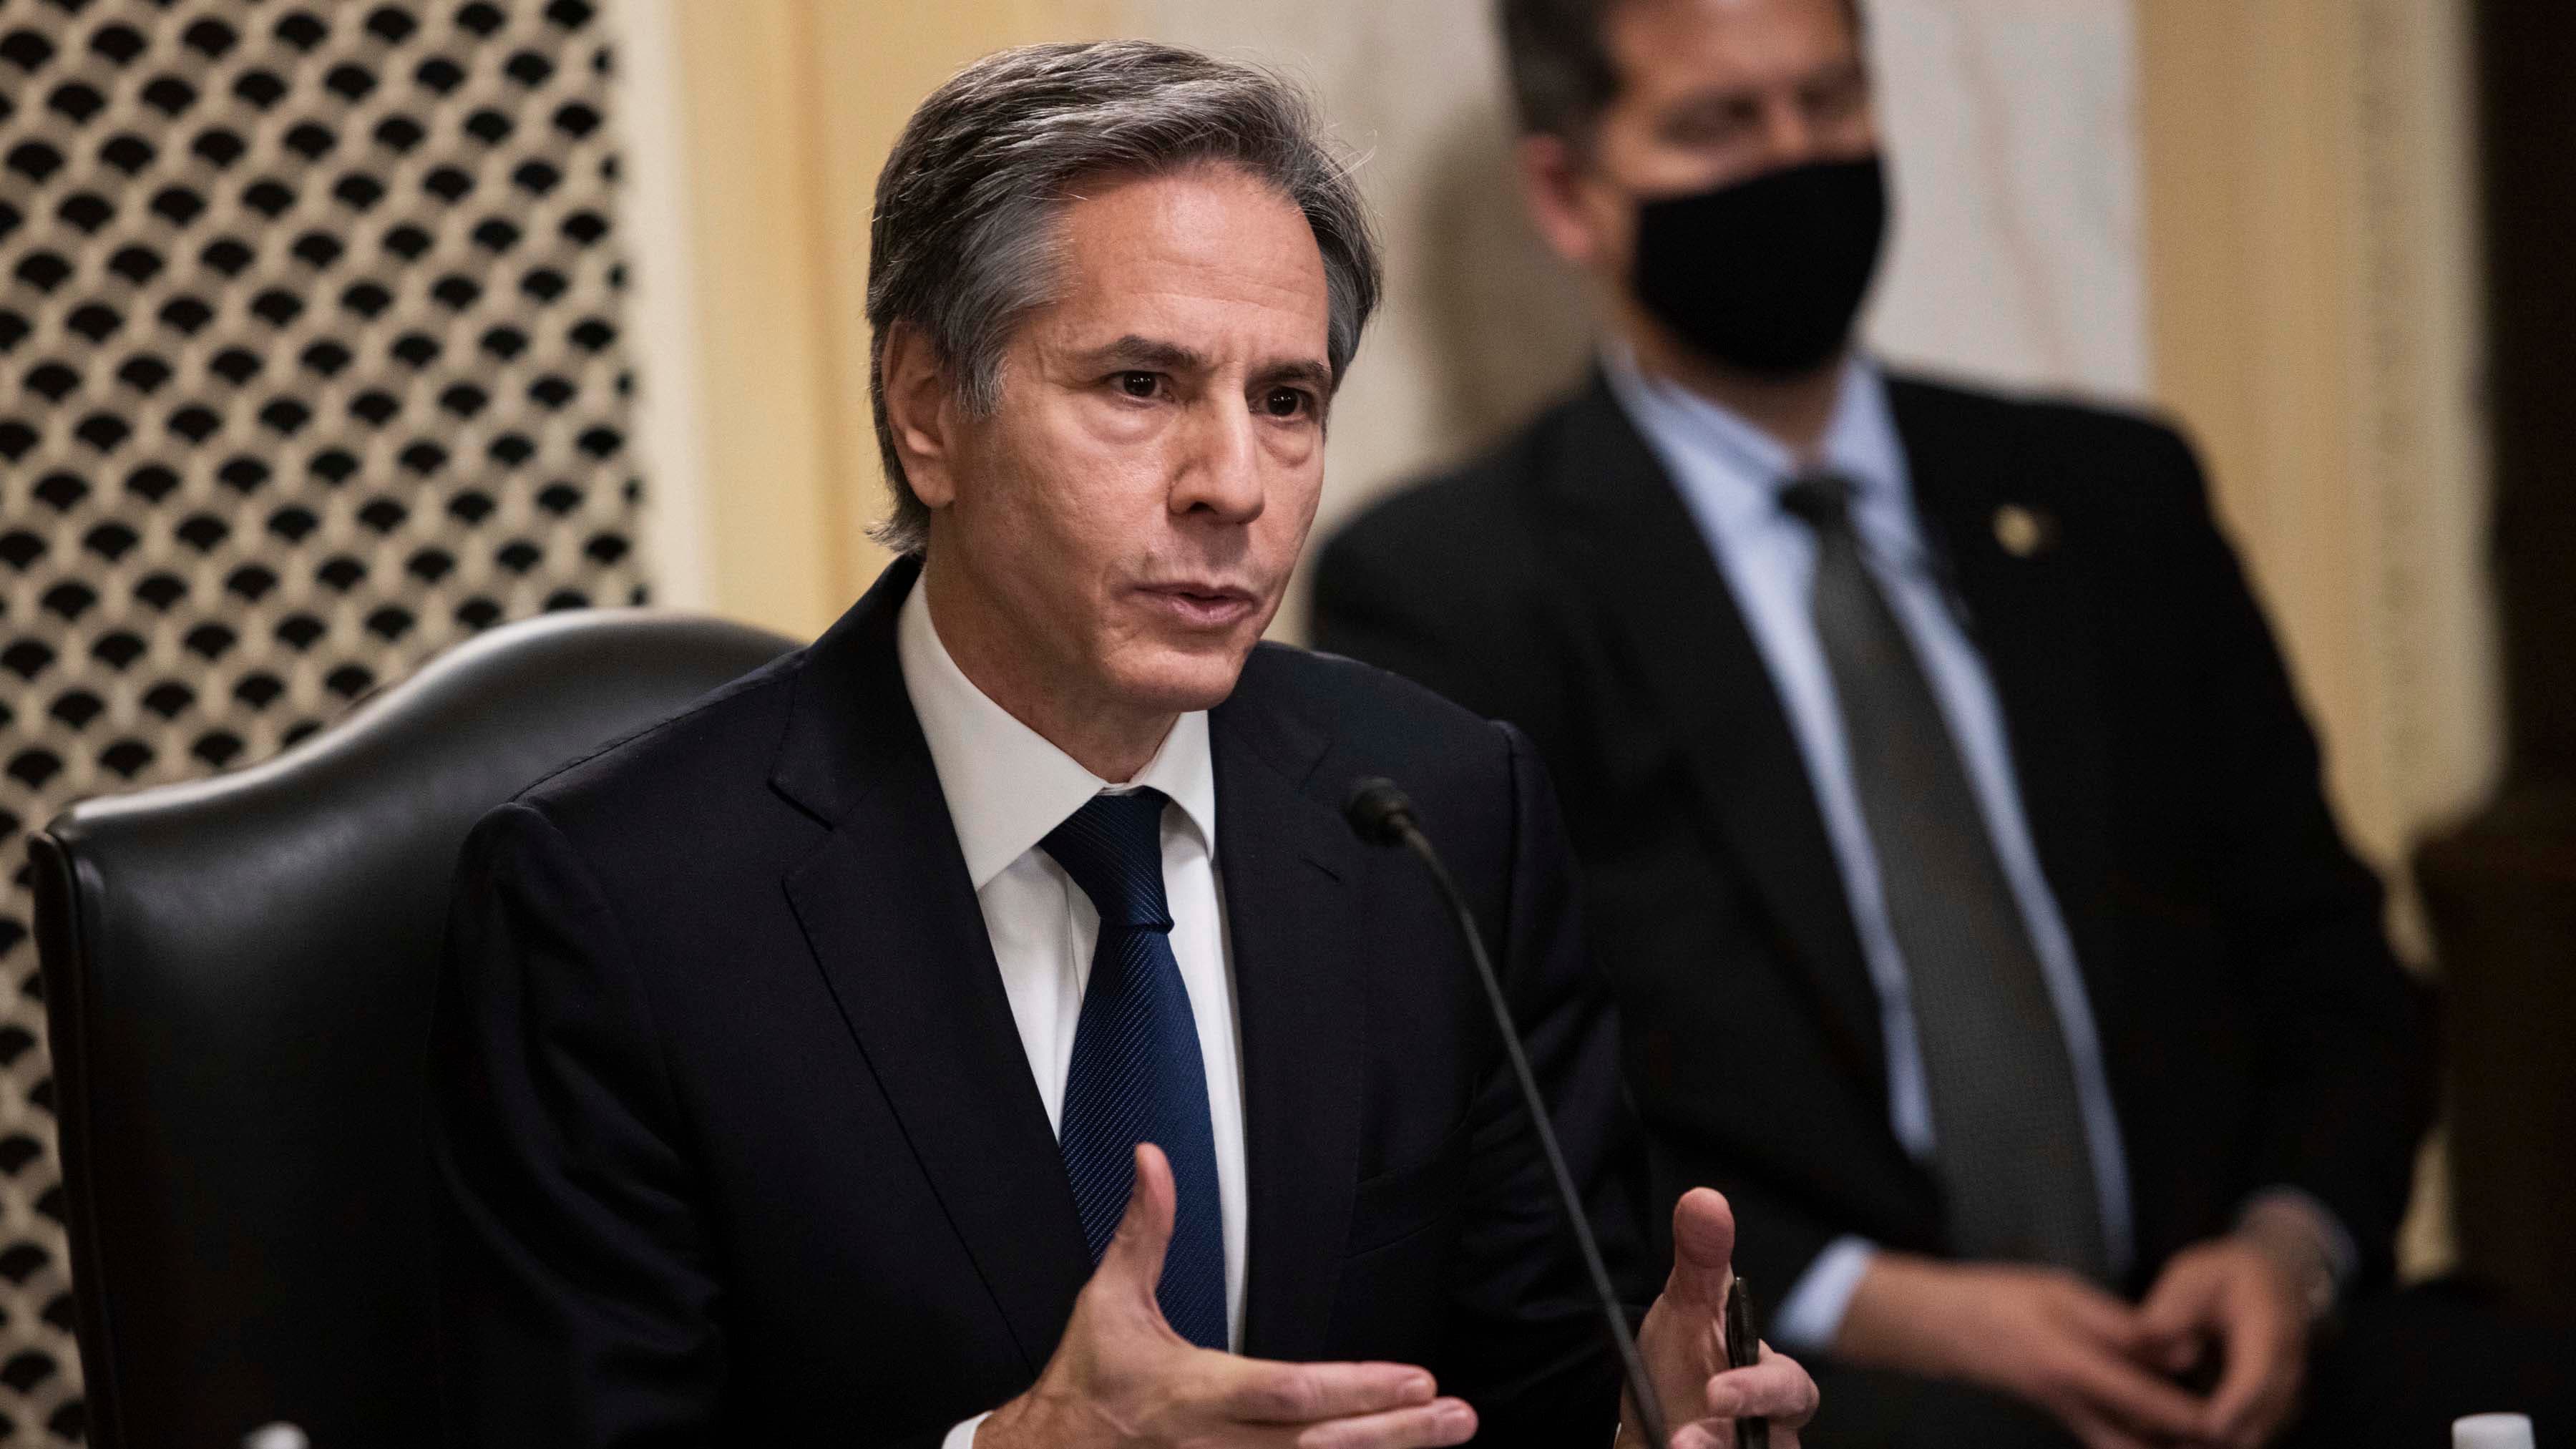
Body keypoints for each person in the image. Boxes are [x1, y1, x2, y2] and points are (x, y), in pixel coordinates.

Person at [429, 39, 1820, 1448]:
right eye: (1141, 385)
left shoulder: (1438, 814)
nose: (1232, 485)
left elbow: (1524, 1385)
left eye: (1287, 401)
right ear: (927, 410)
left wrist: (1636, 1430)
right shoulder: (619, 909)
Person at [1312, 1, 2439, 1446]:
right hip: (1835, 1377)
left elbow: (2332, 959)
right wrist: (1896, 1303)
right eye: (1721, 122)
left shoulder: (2114, 497)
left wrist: (2291, 1246)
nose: (1797, 160)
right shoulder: (1459, 589)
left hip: (2234, 1343)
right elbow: (1511, 1102)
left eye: (1829, 106)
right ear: (1567, 194)